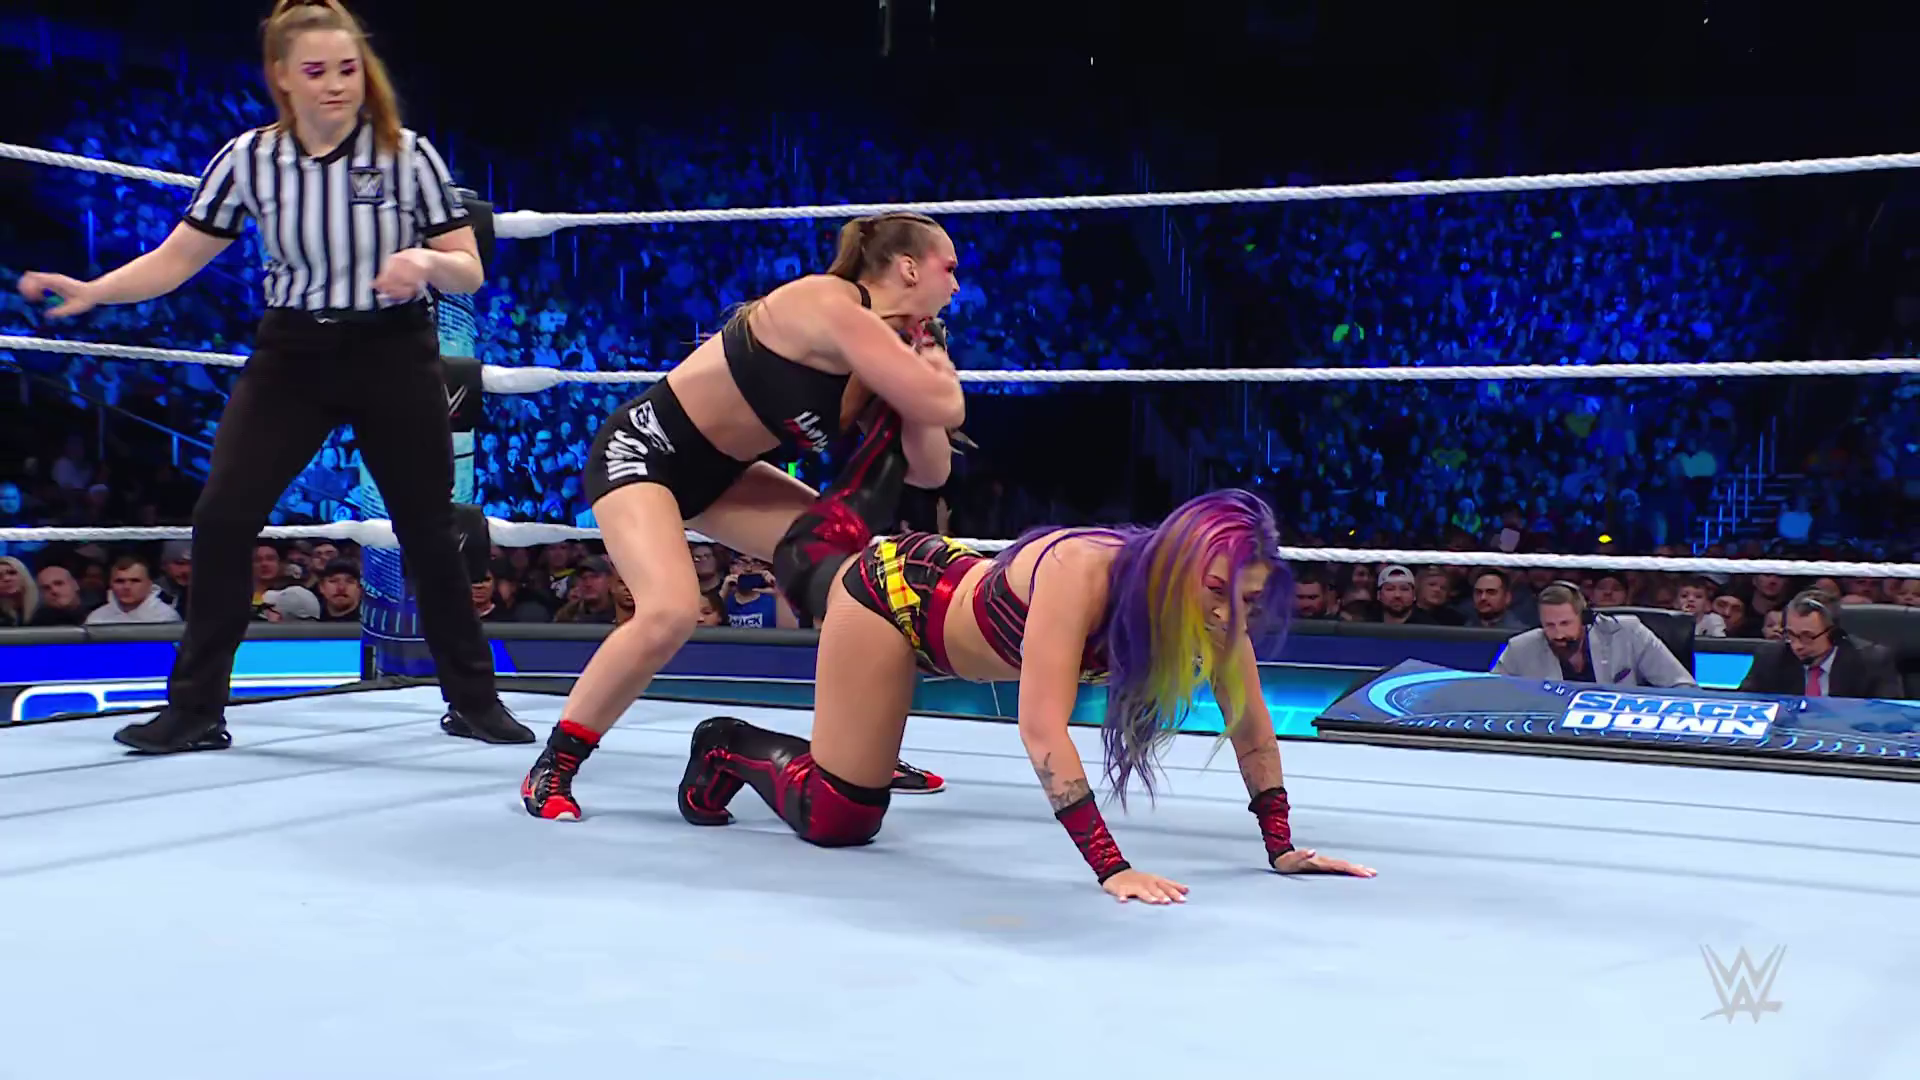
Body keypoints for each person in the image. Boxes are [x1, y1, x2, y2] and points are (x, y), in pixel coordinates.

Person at [17, 0, 529, 752]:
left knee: (428, 528)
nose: (336, 85)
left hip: (393, 350)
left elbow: (469, 269)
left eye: (348, 69)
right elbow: (177, 259)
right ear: (283, 77)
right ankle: (196, 710)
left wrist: (423, 261)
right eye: (316, 71)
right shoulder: (248, 159)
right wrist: (94, 290)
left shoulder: (405, 155)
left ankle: (474, 700)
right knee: (223, 518)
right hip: (292, 353)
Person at [676, 429, 1375, 902]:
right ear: (1177, 563)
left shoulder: (1216, 616)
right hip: (895, 601)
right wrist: (1112, 868)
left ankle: (868, 751)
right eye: (1218, 590)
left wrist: (1282, 848)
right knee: (840, 820)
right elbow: (1041, 729)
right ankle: (725, 743)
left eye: (1245, 600)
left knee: (855, 781)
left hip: (962, 624)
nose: (1226, 613)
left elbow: (1252, 731)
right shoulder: (1083, 571)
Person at [520, 212, 968, 820]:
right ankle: (555, 765)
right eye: (949, 268)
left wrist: (922, 356)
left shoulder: (878, 360)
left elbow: (930, 469)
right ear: (909, 268)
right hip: (644, 450)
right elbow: (945, 402)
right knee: (670, 610)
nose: (956, 286)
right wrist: (932, 365)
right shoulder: (825, 302)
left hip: (723, 477)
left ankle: (859, 750)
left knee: (861, 582)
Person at [1493, 582, 1694, 687]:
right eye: (1549, 625)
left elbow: (1683, 686)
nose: (1558, 634)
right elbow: (1490, 694)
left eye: (1565, 623)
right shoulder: (1521, 648)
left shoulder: (1628, 634)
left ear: (1585, 618)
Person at [1737, 589, 1902, 699]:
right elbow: (1745, 704)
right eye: (1790, 635)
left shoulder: (1872, 661)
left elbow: (1887, 718)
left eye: (1807, 637)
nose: (1796, 646)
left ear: (1834, 634)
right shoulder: (1770, 657)